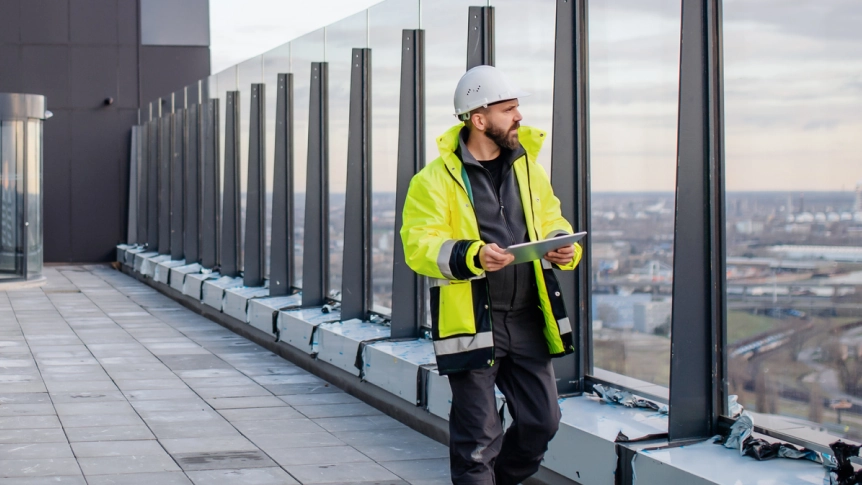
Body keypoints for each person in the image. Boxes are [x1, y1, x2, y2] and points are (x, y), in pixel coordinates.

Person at [400, 65, 583, 485]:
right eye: (509, 109)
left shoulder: (528, 169)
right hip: (472, 322)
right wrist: (473, 255)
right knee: (478, 439)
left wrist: (561, 242)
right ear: (479, 119)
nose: (519, 117)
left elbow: (551, 218)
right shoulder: (432, 181)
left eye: (518, 108)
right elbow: (419, 246)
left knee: (543, 422)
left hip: (527, 318)